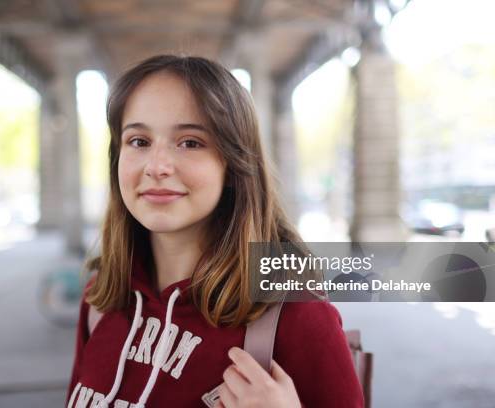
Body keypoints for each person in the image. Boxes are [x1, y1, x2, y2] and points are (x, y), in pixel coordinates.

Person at [66, 55, 364, 408]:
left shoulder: (294, 312)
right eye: (139, 141)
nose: (157, 166)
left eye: (190, 142)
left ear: (234, 165)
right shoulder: (100, 298)